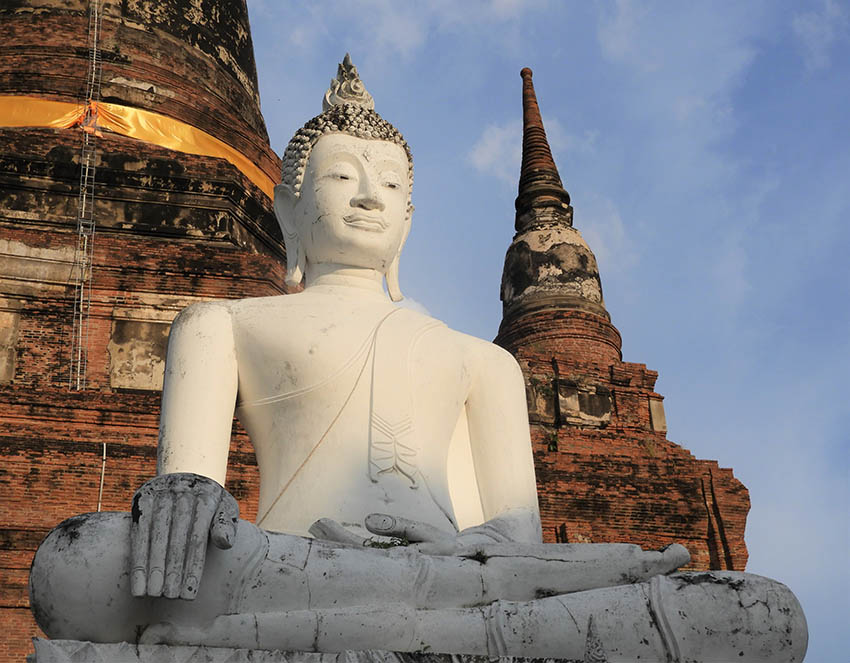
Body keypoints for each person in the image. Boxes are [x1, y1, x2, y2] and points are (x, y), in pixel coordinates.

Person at [29, 56, 807, 662]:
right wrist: (184, 499)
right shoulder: (222, 323)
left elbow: (518, 545)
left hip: (465, 580)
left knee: (762, 612)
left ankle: (370, 631)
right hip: (292, 564)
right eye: (341, 176)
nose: (368, 196)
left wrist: (461, 560)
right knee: (79, 563)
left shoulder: (481, 362)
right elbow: (188, 500)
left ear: (408, 218)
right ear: (288, 209)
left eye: (389, 183)